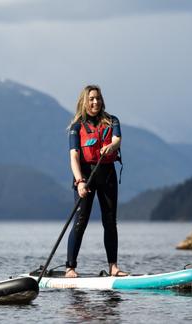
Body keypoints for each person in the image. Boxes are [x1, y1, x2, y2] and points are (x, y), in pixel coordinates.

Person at [65, 85, 128, 278]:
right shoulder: (77, 127)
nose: (95, 102)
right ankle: (70, 268)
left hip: (107, 174)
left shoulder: (112, 121)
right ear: (85, 101)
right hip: (86, 176)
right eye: (91, 99)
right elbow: (74, 156)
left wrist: (111, 146)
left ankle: (113, 267)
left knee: (110, 222)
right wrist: (80, 182)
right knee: (80, 222)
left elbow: (117, 139)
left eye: (98, 98)